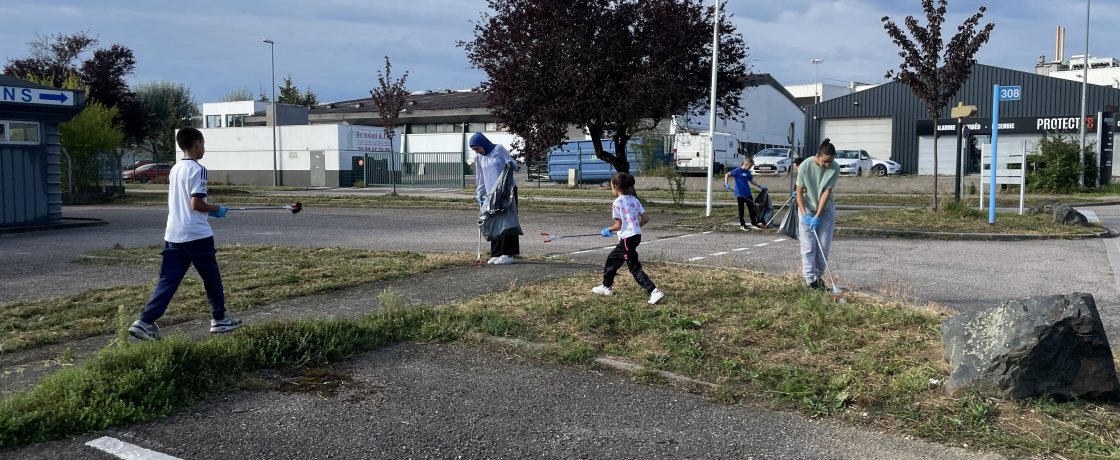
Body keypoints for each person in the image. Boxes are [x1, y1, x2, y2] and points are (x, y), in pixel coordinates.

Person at [128, 127, 242, 340]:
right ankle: (219, 319)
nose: (204, 148)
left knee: (168, 280)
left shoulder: (175, 169)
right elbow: (196, 203)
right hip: (196, 235)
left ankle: (144, 321)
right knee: (211, 278)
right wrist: (217, 210)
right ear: (197, 142)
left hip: (173, 233)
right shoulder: (199, 170)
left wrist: (210, 208)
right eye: (203, 143)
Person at [591, 173, 665, 305]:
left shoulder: (617, 202)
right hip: (636, 236)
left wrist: (608, 229)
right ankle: (606, 287)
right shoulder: (634, 199)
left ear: (616, 187)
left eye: (611, 186)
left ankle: (653, 290)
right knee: (613, 260)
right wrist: (634, 227)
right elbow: (646, 218)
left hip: (627, 239)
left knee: (633, 267)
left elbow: (618, 225)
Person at [795, 138, 841, 290]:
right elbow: (799, 193)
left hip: (825, 209)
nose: (828, 165)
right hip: (806, 208)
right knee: (808, 246)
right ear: (818, 156)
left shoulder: (835, 167)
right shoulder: (805, 166)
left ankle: (818, 278)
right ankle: (810, 281)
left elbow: (826, 192)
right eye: (825, 162)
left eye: (831, 161)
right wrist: (805, 214)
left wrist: (819, 215)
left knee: (823, 245)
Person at [470, 132, 520, 265]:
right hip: (491, 194)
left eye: (477, 148)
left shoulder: (498, 149)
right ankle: (496, 253)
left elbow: (514, 165)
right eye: (475, 150)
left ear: (483, 143)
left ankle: (508, 253)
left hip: (506, 191)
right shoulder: (479, 158)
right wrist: (480, 194)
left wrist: (510, 163)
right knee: (493, 222)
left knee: (507, 221)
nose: (478, 152)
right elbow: (480, 177)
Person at [723, 157, 767, 230]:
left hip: (748, 193)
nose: (750, 168)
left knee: (752, 209)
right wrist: (726, 183)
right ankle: (742, 225)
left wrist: (760, 186)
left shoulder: (748, 172)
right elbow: (727, 174)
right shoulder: (737, 170)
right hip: (740, 194)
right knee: (741, 210)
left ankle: (754, 223)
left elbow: (751, 181)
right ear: (746, 164)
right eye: (749, 166)